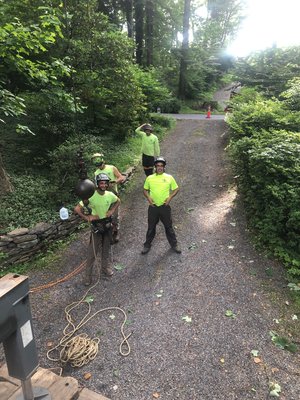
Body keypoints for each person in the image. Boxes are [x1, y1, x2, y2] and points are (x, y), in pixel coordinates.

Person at [74, 173, 120, 286]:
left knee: (106, 249)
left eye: (105, 183)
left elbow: (118, 201)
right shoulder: (91, 195)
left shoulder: (110, 195)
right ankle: (87, 276)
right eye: (101, 183)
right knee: (92, 253)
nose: (103, 185)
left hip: (107, 226)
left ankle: (105, 268)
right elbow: (77, 208)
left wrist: (111, 211)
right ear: (97, 184)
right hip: (97, 226)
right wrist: (87, 217)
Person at [141, 156, 181, 254]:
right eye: (158, 165)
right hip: (153, 207)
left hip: (164, 207)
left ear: (164, 167)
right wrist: (149, 198)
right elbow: (145, 190)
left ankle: (174, 244)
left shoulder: (169, 177)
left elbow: (176, 189)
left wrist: (170, 198)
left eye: (161, 166)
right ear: (155, 166)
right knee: (151, 228)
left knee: (168, 227)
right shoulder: (150, 178)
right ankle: (147, 245)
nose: (159, 167)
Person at [91, 153, 126, 243]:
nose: (98, 162)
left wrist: (114, 182)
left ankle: (116, 232)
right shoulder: (96, 173)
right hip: (102, 197)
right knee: (104, 217)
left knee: (114, 216)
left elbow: (121, 177)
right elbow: (96, 186)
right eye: (95, 160)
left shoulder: (111, 168)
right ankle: (107, 233)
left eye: (98, 159)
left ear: (103, 160)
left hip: (113, 195)